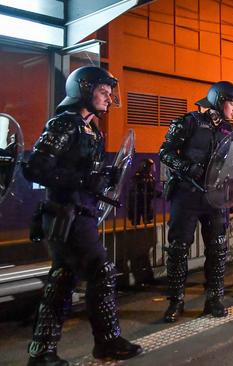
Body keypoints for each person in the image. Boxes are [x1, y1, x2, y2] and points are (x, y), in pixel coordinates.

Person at [22, 66, 142, 365]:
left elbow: (84, 171)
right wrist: (83, 181)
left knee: (62, 280)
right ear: (84, 91)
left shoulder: (90, 129)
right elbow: (35, 167)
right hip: (68, 214)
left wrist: (105, 176)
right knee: (101, 272)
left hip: (82, 212)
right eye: (103, 92)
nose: (108, 98)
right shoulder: (65, 124)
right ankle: (107, 342)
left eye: (109, 93)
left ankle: (42, 351)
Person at [159, 81, 233, 322]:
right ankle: (176, 301)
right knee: (178, 249)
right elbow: (164, 152)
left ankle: (214, 298)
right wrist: (186, 167)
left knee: (218, 248)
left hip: (216, 198)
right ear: (218, 100)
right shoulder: (189, 122)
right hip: (186, 194)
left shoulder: (230, 132)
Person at [128, 158, 160, 225]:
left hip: (146, 202)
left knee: (148, 221)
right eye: (150, 166)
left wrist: (157, 193)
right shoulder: (137, 177)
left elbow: (150, 189)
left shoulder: (150, 177)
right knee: (136, 222)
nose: (152, 168)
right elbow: (138, 190)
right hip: (137, 203)